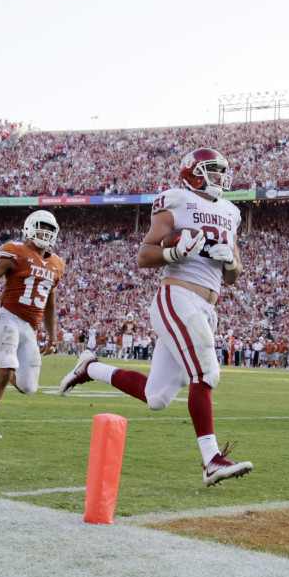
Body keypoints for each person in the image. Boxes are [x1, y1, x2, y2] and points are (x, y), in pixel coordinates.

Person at [58, 147, 252, 487]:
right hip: (177, 296)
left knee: (156, 397)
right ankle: (211, 460)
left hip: (207, 305)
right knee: (205, 372)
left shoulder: (231, 212)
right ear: (193, 172)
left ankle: (90, 367)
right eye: (212, 169)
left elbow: (234, 276)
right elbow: (145, 255)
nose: (220, 176)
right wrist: (174, 251)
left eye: (222, 170)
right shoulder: (176, 200)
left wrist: (231, 263)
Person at [0, 210, 65, 439]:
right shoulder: (16, 251)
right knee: (7, 368)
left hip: (30, 328)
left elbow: (50, 304)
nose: (45, 233)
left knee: (28, 387)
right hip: (8, 317)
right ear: (29, 227)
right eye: (42, 227)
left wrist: (52, 337)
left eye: (50, 229)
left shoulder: (57, 264)